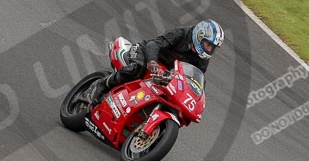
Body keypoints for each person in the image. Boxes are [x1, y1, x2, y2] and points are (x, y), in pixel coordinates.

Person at [87, 20, 225, 105]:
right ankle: (102, 84)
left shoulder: (203, 58)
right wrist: (152, 63)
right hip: (145, 53)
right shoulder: (181, 33)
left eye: (213, 47)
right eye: (208, 44)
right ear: (200, 36)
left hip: (164, 69)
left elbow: (198, 78)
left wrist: (196, 94)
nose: (210, 49)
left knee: (167, 95)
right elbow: (154, 44)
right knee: (136, 68)